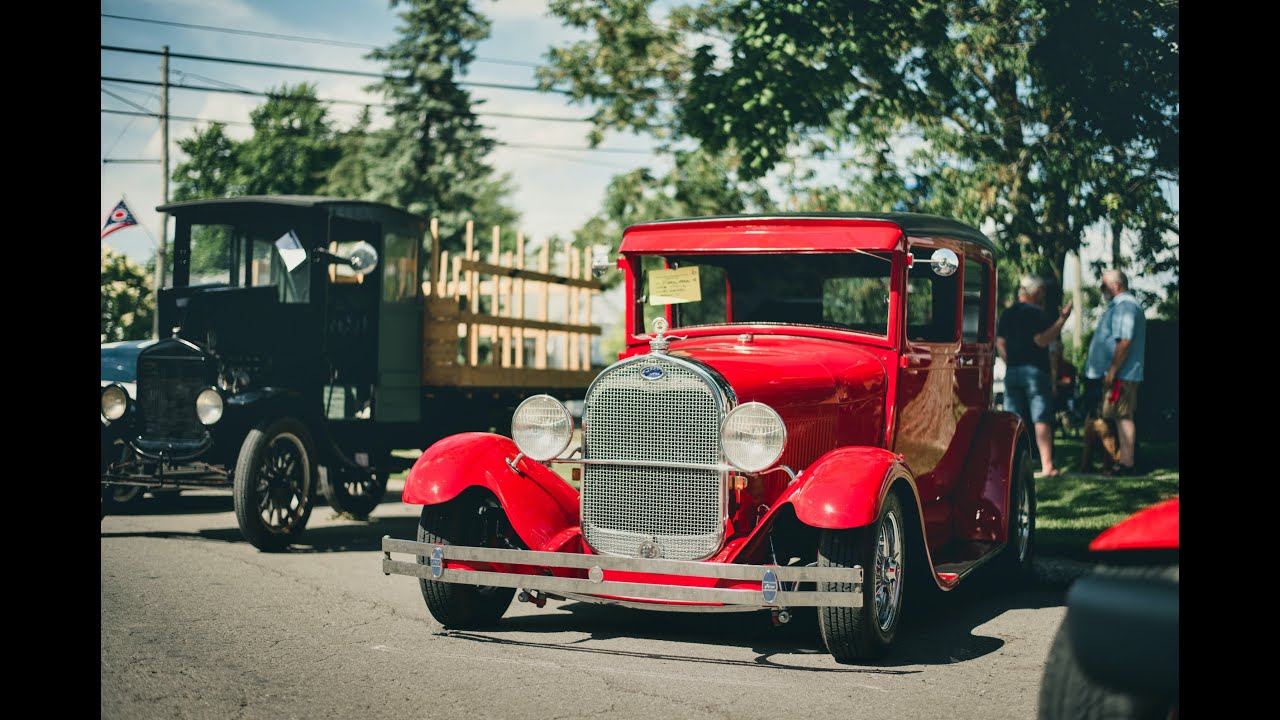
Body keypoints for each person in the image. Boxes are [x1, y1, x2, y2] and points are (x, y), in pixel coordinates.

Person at [996, 275, 1073, 477]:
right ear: (1036, 292)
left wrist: (1010, 361)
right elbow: (1041, 340)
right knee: (1041, 417)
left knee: (1014, 419)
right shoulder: (1036, 313)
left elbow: (1000, 343)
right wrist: (1062, 321)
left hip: (1012, 371)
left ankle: (1012, 466)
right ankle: (1047, 465)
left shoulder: (1008, 312)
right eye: (1043, 293)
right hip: (1035, 372)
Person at [1083, 269, 1146, 475]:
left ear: (1116, 285)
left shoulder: (1125, 306)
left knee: (1123, 416)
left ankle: (1127, 464)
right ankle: (1122, 462)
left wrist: (1112, 371)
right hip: (1120, 373)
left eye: (1104, 286)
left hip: (1122, 374)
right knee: (1118, 416)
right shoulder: (1120, 306)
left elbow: (1124, 341)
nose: (1102, 290)